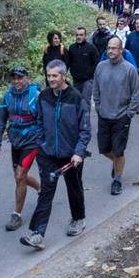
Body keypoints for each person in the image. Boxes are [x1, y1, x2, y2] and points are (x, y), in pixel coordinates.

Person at [20, 60, 90, 250]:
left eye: (54, 76)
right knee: (46, 193)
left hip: (71, 156)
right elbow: (40, 121)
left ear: (63, 76)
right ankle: (37, 233)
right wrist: (42, 143)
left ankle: (78, 219)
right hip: (48, 154)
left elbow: (85, 130)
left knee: (74, 188)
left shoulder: (76, 98)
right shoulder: (44, 96)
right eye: (48, 75)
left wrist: (78, 152)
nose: (50, 79)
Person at [0, 67, 42, 231]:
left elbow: (45, 118)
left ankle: (17, 215)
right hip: (16, 141)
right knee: (20, 176)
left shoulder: (35, 95)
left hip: (32, 141)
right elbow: (0, 120)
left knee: (20, 176)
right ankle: (42, 189)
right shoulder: (8, 96)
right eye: (14, 78)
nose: (16, 81)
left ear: (27, 78)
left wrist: (46, 141)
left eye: (20, 78)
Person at [93, 37, 139, 196]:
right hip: (104, 115)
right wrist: (98, 107)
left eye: (114, 48)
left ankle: (117, 180)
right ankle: (117, 163)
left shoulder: (129, 69)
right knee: (104, 149)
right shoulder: (100, 67)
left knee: (119, 151)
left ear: (121, 50)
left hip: (122, 116)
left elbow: (136, 93)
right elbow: (96, 88)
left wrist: (129, 114)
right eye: (108, 48)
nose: (110, 51)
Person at [67, 28, 99, 107]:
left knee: (85, 101)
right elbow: (68, 62)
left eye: (81, 35)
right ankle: (78, 119)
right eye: (77, 35)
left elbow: (96, 63)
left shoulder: (91, 48)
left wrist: (90, 74)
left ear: (85, 36)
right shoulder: (72, 48)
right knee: (76, 101)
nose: (79, 37)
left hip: (88, 80)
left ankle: (86, 119)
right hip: (76, 80)